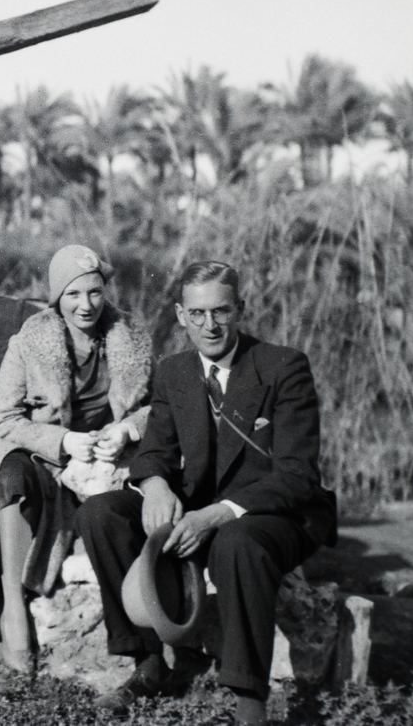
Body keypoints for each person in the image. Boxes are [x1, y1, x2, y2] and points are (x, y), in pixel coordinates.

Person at [77, 261, 337, 724]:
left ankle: (248, 700)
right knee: (101, 514)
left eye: (220, 311)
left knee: (238, 542)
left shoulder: (282, 367)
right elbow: (154, 451)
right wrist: (154, 485)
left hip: (274, 513)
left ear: (241, 309)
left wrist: (216, 515)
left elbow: (298, 475)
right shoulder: (175, 372)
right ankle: (149, 663)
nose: (209, 325)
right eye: (196, 314)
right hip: (198, 508)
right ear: (180, 315)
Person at [0, 245, 154, 674]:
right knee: (7, 483)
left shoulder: (131, 337)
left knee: (28, 493)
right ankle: (9, 612)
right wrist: (64, 440)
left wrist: (126, 429)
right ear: (56, 299)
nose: (85, 305)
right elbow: (1, 416)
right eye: (72, 295)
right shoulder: (33, 339)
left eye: (93, 293)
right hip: (17, 447)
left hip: (90, 462)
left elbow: (159, 405)